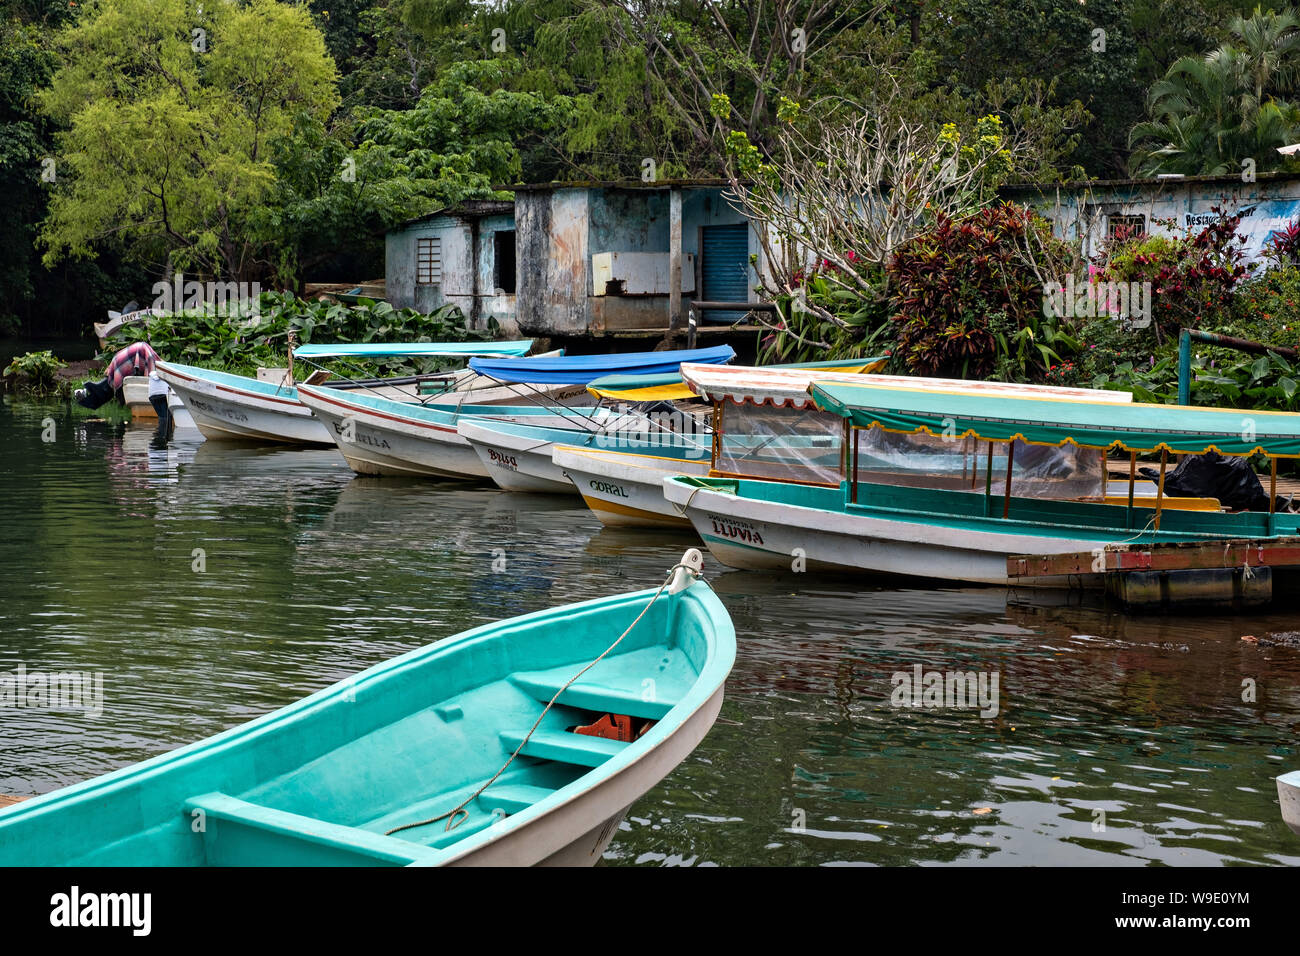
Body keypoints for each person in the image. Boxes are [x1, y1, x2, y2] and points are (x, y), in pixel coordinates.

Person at [74, 342, 159, 409]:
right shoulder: (153, 360)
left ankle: (85, 392)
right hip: (125, 358)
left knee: (106, 387)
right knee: (105, 390)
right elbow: (148, 380)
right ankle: (85, 393)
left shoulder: (152, 357)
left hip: (121, 358)